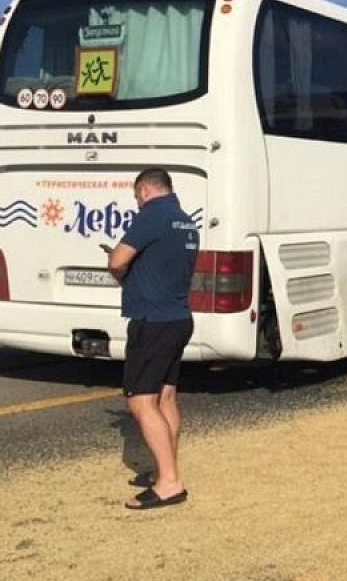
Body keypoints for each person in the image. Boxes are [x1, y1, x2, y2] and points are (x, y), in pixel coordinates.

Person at [107, 168, 199, 510]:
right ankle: (167, 469)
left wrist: (121, 273)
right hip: (178, 317)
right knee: (166, 397)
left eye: (136, 197)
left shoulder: (152, 216)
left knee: (140, 401)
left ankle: (170, 483)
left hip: (152, 321)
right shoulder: (185, 220)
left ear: (144, 190)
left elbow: (118, 260)